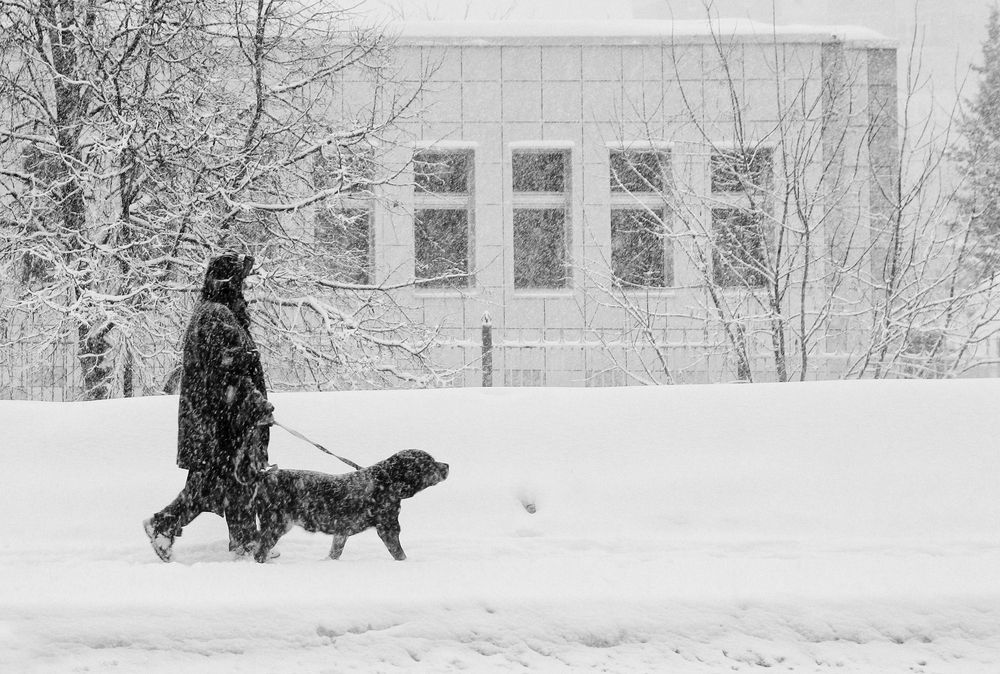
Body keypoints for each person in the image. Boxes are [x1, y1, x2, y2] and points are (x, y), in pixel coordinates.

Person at [143, 253, 274, 562]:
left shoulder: (215, 312)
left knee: (233, 480)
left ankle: (246, 541)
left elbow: (227, 368)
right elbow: (227, 371)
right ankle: (162, 525)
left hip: (216, 420)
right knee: (217, 482)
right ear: (229, 284)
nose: (243, 289)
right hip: (218, 423)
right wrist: (255, 405)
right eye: (240, 282)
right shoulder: (217, 315)